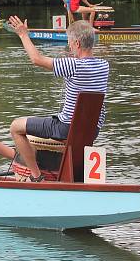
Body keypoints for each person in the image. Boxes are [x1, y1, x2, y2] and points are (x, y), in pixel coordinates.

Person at [7, 17, 109, 182]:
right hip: (92, 130)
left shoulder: (73, 65)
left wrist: (23, 35)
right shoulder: (104, 66)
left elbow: (36, 59)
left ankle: (36, 176)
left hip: (66, 128)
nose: (68, 45)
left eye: (70, 42)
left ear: (77, 43)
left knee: (15, 127)